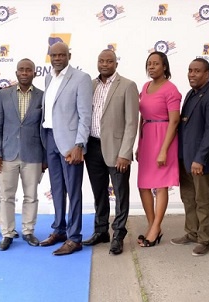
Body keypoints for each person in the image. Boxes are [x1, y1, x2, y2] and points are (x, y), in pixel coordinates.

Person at [82, 49, 139, 255]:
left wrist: (125, 153)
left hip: (117, 150)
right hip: (93, 147)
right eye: (101, 61)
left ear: (116, 63)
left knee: (121, 193)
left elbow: (132, 123)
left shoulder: (127, 86)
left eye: (109, 61)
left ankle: (118, 234)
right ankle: (101, 231)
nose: (104, 64)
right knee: (99, 192)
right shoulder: (91, 85)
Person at [40, 42, 92, 256]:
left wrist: (79, 144)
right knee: (57, 189)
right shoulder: (48, 77)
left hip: (71, 144)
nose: (58, 58)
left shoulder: (81, 78)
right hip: (50, 139)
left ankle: (75, 237)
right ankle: (59, 230)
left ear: (69, 56)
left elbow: (85, 115)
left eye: (62, 55)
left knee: (74, 191)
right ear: (49, 57)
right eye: (54, 55)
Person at [170, 58, 209, 256]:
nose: (192, 74)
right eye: (190, 70)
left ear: (207, 73)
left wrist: (199, 159)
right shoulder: (190, 94)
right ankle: (191, 232)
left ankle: (204, 239)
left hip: (200, 161)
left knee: (202, 200)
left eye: (197, 71)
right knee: (188, 198)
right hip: (185, 157)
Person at [0, 58, 45, 251]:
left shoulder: (42, 96)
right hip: (7, 154)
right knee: (6, 196)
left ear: (34, 73)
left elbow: (44, 128)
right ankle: (7, 233)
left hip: (33, 154)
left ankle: (28, 231)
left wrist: (45, 158)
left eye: (28, 70)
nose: (24, 73)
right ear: (16, 73)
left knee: (31, 195)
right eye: (21, 70)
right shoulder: (4, 95)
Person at [137, 51, 181, 247]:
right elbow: (142, 117)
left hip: (164, 137)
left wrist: (164, 150)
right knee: (143, 185)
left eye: (156, 64)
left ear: (165, 66)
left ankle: (155, 228)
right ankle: (152, 224)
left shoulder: (171, 89)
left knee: (161, 185)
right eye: (149, 64)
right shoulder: (145, 87)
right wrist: (139, 142)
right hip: (147, 138)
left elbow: (174, 121)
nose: (152, 67)